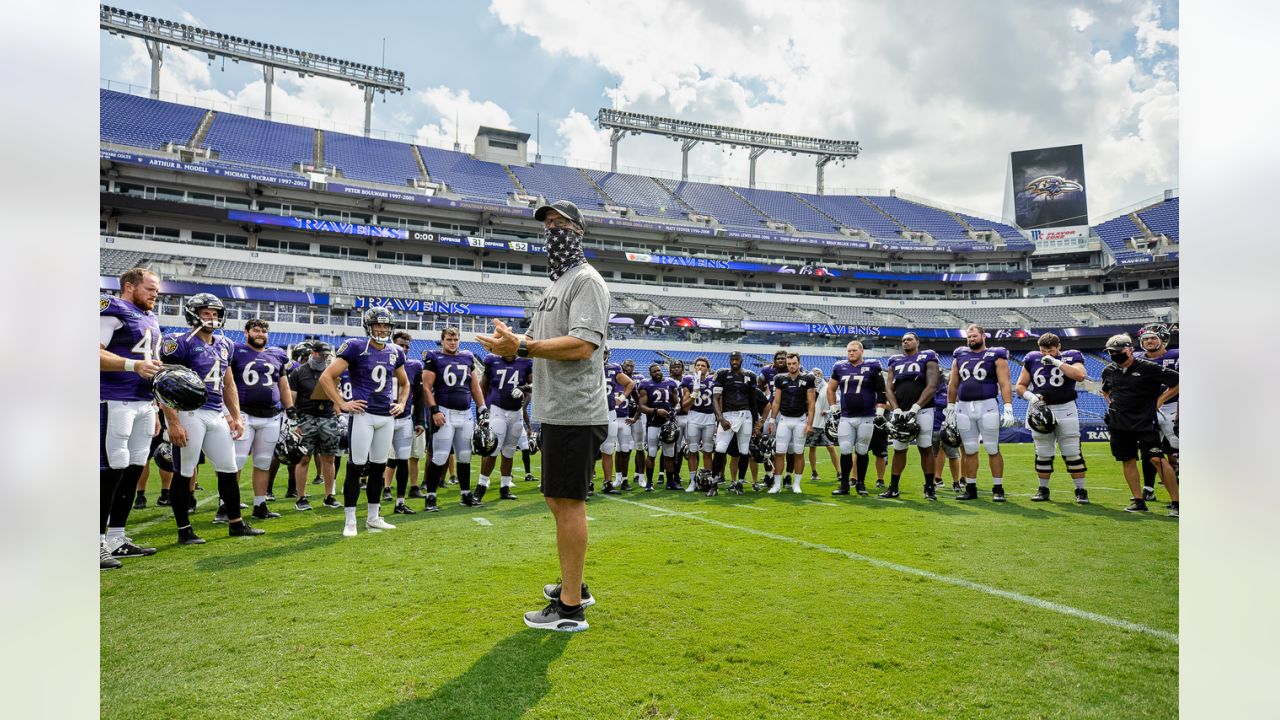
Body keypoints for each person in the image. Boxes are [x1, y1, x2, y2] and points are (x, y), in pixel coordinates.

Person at [478, 199, 610, 632]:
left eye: (561, 223)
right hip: (556, 409)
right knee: (558, 500)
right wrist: (510, 342)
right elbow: (536, 341)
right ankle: (575, 585)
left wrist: (522, 346)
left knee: (568, 503)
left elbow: (582, 345)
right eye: (548, 223)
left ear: (579, 231)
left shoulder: (586, 281)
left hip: (576, 410)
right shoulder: (555, 284)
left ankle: (571, 608)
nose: (553, 229)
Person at [159, 293, 264, 543]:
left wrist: (236, 416)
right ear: (194, 314)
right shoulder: (179, 342)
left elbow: (229, 384)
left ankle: (236, 523)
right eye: (206, 313)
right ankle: (184, 530)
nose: (212, 317)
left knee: (228, 469)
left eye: (215, 313)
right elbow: (163, 382)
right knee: (185, 471)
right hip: (188, 411)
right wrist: (172, 421)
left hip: (216, 413)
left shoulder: (225, 344)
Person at [318, 307, 410, 537]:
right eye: (378, 325)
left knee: (379, 468)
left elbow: (405, 383)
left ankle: (373, 517)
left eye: (386, 325)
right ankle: (350, 521)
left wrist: (401, 403)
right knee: (356, 466)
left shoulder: (395, 350)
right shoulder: (356, 346)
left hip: (386, 416)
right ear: (368, 326)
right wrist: (341, 402)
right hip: (363, 415)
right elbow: (326, 377)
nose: (382, 329)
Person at [99, 268, 164, 567]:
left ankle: (117, 537)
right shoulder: (112, 308)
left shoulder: (150, 318)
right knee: (109, 471)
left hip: (143, 402)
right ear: (129, 286)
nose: (155, 294)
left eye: (157, 290)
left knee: (133, 469)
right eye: (150, 288)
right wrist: (131, 365)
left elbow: (148, 362)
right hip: (113, 399)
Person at [1100, 334, 1180, 516]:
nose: (1114, 354)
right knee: (1127, 460)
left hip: (1145, 422)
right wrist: (1111, 402)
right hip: (1119, 424)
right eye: (1111, 352)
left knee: (1157, 459)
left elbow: (1178, 382)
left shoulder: (1149, 368)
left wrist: (1160, 400)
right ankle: (1138, 501)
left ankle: (1177, 503)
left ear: (1129, 350)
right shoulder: (1109, 371)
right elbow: (1105, 390)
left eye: (1118, 351)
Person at [229, 318, 294, 521]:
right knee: (235, 462)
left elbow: (283, 384)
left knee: (264, 462)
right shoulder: (235, 351)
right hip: (244, 414)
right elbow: (227, 382)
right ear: (246, 332)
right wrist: (231, 413)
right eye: (256, 330)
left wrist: (290, 407)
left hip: (271, 415)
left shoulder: (277, 354)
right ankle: (227, 506)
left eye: (264, 331)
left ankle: (260, 504)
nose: (260, 334)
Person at [1015, 333, 1091, 504]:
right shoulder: (1032, 358)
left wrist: (1056, 362)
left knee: (1072, 451)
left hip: (1066, 408)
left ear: (1059, 347)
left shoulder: (1072, 356)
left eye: (1051, 350)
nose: (1046, 354)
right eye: (1043, 351)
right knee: (1042, 452)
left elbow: (1080, 375)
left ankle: (1081, 490)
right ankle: (1043, 489)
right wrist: (1031, 397)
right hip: (1041, 409)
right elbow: (1020, 386)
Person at [946, 324, 1017, 501]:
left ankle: (998, 488)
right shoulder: (959, 355)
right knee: (970, 450)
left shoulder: (995, 355)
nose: (971, 339)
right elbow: (953, 384)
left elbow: (1005, 382)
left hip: (987, 405)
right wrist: (950, 407)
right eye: (969, 337)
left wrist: (1008, 406)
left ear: (983, 336)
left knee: (992, 448)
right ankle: (971, 488)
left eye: (974, 336)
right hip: (963, 407)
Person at [421, 327, 488, 510]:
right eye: (449, 339)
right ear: (442, 340)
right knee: (440, 456)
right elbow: (426, 387)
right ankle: (431, 496)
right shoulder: (433, 357)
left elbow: (475, 387)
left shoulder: (467, 356)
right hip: (445, 412)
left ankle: (466, 494)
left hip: (465, 413)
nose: (452, 342)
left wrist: (482, 408)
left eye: (455, 339)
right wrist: (434, 410)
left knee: (465, 456)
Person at [884, 332, 941, 500]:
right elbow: (888, 388)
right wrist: (896, 409)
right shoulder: (895, 360)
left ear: (917, 341)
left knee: (925, 447)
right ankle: (893, 487)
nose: (905, 342)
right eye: (903, 340)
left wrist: (915, 408)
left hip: (923, 410)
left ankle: (929, 487)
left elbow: (932, 385)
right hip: (900, 411)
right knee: (899, 449)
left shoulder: (928, 357)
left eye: (909, 339)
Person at [287, 342, 341, 511]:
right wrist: (293, 421)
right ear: (313, 353)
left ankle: (329, 496)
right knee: (303, 458)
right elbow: (292, 398)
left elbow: (336, 394)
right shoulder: (299, 372)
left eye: (327, 355)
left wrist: (339, 413)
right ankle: (301, 497)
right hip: (306, 417)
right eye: (322, 354)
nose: (324, 358)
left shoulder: (331, 371)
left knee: (329, 457)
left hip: (328, 416)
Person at [828, 341, 886, 497]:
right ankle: (844, 485)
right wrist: (833, 408)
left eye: (854, 350)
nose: (851, 353)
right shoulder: (840, 367)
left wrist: (879, 412)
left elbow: (881, 390)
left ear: (862, 351)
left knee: (862, 450)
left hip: (866, 416)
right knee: (845, 450)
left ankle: (861, 483)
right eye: (848, 351)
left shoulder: (873, 366)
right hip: (846, 416)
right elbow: (831, 388)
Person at [477, 346, 533, 501]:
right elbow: (483, 385)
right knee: (493, 448)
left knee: (509, 451)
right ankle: (481, 486)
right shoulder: (492, 360)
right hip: (497, 409)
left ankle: (505, 487)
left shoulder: (525, 362)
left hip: (516, 412)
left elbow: (536, 384)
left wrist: (524, 387)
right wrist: (482, 408)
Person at [1135, 323, 1179, 503]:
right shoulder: (1137, 359)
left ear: (1163, 339)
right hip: (1147, 409)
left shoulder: (1178, 355)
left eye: (1153, 338)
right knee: (1150, 450)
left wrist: (1162, 400)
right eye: (1146, 339)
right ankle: (1148, 488)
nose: (1150, 341)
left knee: (1178, 448)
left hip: (1174, 405)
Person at [385, 331, 424, 514]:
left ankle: (400, 502)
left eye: (407, 346)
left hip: (406, 418)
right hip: (383, 418)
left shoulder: (414, 365)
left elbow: (419, 395)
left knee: (403, 461)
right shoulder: (382, 359)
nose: (404, 349)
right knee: (378, 462)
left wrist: (420, 420)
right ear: (393, 344)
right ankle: (376, 502)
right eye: (401, 345)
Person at [765, 353, 816, 493]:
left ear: (799, 363)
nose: (792, 366)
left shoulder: (808, 378)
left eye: (794, 363)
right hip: (784, 419)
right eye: (789, 364)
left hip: (800, 419)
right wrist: (772, 420)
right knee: (779, 452)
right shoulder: (780, 378)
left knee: (798, 452)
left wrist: (810, 423)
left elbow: (811, 403)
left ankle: (797, 484)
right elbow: (776, 401)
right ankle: (776, 485)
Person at [711, 351, 762, 488]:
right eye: (732, 359)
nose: (734, 362)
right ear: (729, 360)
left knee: (744, 450)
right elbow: (715, 398)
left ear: (741, 360)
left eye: (737, 359)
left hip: (746, 415)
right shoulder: (722, 374)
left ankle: (740, 482)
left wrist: (756, 423)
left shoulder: (750, 376)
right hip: (728, 415)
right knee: (720, 449)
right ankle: (713, 482)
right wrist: (720, 418)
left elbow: (753, 401)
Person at [638, 362, 681, 491]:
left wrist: (674, 411)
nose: (657, 373)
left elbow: (677, 403)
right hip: (653, 423)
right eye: (654, 371)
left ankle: (670, 482)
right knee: (651, 453)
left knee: (669, 454)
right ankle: (650, 483)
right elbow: (642, 406)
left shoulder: (671, 383)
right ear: (650, 374)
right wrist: (656, 411)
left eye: (658, 370)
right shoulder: (645, 384)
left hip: (668, 423)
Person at [600, 348, 635, 494]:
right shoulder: (586, 366)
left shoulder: (613, 368)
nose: (602, 356)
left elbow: (630, 384)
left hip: (609, 412)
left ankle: (608, 482)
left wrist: (621, 398)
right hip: (590, 412)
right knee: (589, 450)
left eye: (605, 353)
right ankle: (587, 483)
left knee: (608, 449)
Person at [684, 357, 717, 491]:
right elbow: (685, 406)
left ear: (707, 369)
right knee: (692, 450)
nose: (700, 367)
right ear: (694, 367)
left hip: (709, 418)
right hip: (693, 417)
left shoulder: (713, 381)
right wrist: (694, 393)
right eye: (698, 365)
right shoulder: (688, 380)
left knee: (708, 451)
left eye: (703, 366)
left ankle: (707, 480)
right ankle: (692, 482)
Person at [806, 367, 839, 484]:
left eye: (819, 373)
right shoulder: (809, 387)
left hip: (825, 423)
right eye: (815, 373)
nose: (817, 375)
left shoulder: (827, 386)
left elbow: (836, 402)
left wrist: (828, 411)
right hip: (813, 422)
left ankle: (839, 472)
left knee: (831, 447)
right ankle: (814, 472)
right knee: (812, 447)